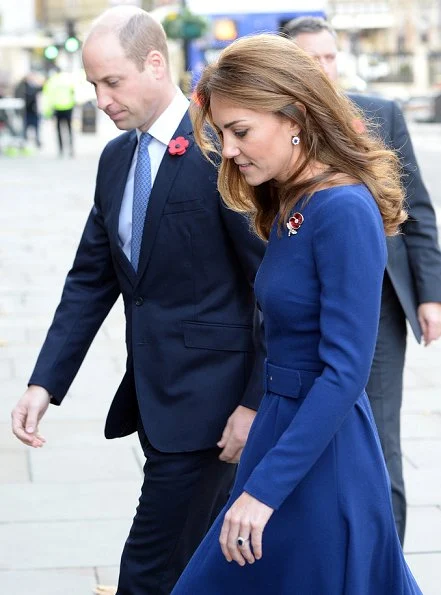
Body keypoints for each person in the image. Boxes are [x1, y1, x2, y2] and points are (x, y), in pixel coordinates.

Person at [11, 6, 265, 595]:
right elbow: (90, 279)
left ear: (155, 64)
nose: (100, 99)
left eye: (111, 81)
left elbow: (268, 289)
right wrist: (44, 382)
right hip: (157, 403)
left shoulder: (219, 152)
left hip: (216, 411)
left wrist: (254, 405)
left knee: (147, 572)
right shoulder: (116, 158)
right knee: (203, 567)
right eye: (92, 85)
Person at [171, 33, 423, 594]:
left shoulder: (342, 207)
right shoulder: (294, 201)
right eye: (222, 135)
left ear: (296, 117)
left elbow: (345, 373)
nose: (230, 150)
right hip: (283, 432)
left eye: (241, 131)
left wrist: (265, 489)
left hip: (321, 454)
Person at [284, 15, 441, 546]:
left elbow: (416, 208)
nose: (326, 68)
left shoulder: (378, 114)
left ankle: (385, 558)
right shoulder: (272, 128)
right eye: (312, 59)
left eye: (331, 56)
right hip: (301, 308)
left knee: (380, 437)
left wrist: (431, 293)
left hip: (378, 305)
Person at [42, 67, 76, 157]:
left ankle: (61, 150)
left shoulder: (51, 81)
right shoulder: (68, 80)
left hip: (57, 108)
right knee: (69, 129)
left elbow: (47, 97)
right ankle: (71, 149)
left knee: (58, 130)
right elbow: (73, 92)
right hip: (68, 107)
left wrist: (47, 112)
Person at [15, 72, 44, 148]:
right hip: (26, 111)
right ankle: (24, 142)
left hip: (34, 110)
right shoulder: (22, 86)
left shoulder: (34, 86)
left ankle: (37, 140)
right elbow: (18, 96)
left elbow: (41, 90)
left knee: (36, 127)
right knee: (25, 128)